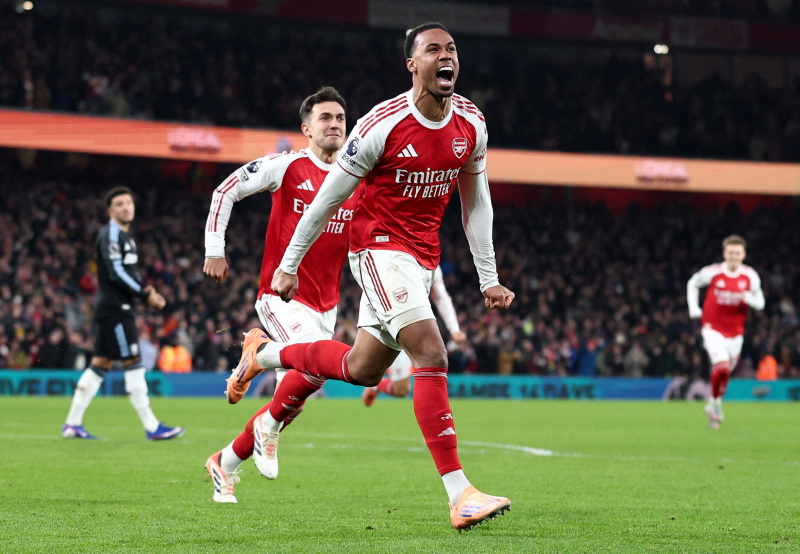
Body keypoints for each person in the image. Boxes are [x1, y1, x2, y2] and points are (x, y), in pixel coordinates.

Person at [229, 22, 514, 532]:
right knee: (431, 353)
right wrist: (289, 265)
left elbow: (478, 204)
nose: (445, 56)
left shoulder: (471, 123)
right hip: (378, 250)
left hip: (422, 257)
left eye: (451, 49)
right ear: (413, 65)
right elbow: (329, 198)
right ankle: (460, 493)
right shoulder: (381, 124)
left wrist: (487, 276)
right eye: (432, 49)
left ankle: (264, 354)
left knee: (362, 369)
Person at [202, 87, 355, 503]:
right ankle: (260, 365)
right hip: (281, 295)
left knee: (294, 400)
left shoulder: (355, 177)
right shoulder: (285, 166)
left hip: (327, 304)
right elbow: (224, 191)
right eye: (325, 118)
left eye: (340, 118)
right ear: (306, 128)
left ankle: (225, 463)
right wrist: (215, 250)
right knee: (310, 366)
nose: (334, 124)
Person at [62, 186, 184, 441]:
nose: (126, 207)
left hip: (116, 308)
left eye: (129, 202)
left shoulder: (126, 236)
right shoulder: (110, 234)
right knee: (133, 364)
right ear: (110, 211)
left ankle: (72, 424)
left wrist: (145, 289)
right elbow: (116, 272)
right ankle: (152, 426)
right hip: (115, 310)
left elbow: (129, 272)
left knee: (100, 365)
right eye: (119, 204)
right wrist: (144, 294)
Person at [687, 234, 765, 429]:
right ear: (724, 253)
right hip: (713, 329)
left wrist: (749, 299)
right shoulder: (713, 272)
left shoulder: (750, 276)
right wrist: (693, 308)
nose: (733, 256)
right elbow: (692, 283)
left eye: (737, 253)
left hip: (736, 333)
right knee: (721, 367)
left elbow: (760, 303)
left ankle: (714, 404)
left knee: (725, 373)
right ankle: (715, 405)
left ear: (743, 254)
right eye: (730, 253)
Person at [362, 265, 466, 406]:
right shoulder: (391, 255)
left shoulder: (432, 262)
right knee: (366, 373)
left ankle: (376, 386)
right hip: (391, 322)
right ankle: (375, 384)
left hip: (416, 323)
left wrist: (455, 329)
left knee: (403, 389)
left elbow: (441, 298)